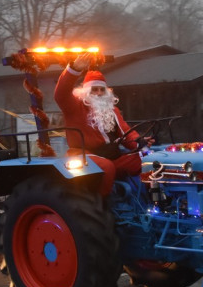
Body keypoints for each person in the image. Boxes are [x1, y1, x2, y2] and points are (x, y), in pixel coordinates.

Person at [53, 52, 142, 196]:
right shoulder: (75, 106)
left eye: (102, 89)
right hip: (83, 154)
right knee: (106, 167)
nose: (99, 93)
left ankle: (141, 199)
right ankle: (101, 203)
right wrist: (74, 69)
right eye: (94, 89)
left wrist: (139, 142)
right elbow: (60, 94)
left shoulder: (112, 110)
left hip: (110, 153)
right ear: (86, 91)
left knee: (140, 161)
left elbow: (125, 131)